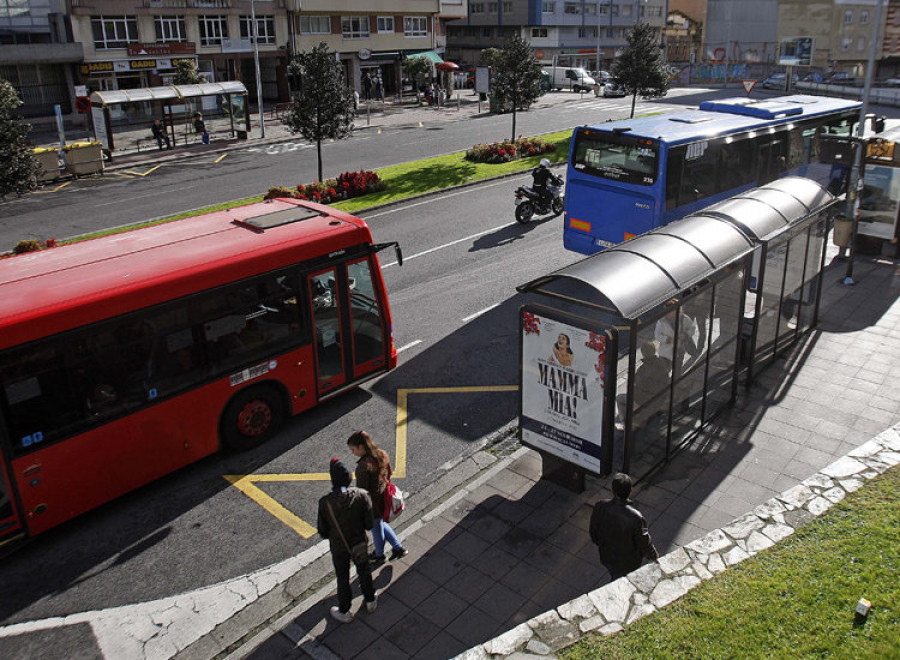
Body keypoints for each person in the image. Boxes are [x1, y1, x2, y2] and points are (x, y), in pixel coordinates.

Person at [316, 458, 377, 623]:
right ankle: (370, 600)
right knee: (364, 570)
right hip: (359, 542)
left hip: (339, 546)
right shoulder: (362, 495)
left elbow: (322, 530)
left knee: (342, 576)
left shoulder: (325, 503)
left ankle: (344, 610)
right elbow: (369, 523)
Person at [347, 430, 407, 566]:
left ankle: (379, 555)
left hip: (373, 504)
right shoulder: (382, 454)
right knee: (380, 524)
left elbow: (362, 492)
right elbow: (390, 472)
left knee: (376, 528)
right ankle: (398, 548)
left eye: (353, 449)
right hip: (384, 497)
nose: (352, 452)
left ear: (361, 447)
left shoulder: (363, 467)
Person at [588, 473, 659, 581]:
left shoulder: (600, 506)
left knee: (615, 575)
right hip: (628, 562)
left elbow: (593, 532)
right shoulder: (636, 517)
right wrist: (653, 556)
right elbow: (644, 541)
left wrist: (601, 544)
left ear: (612, 491)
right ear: (630, 491)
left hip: (607, 555)